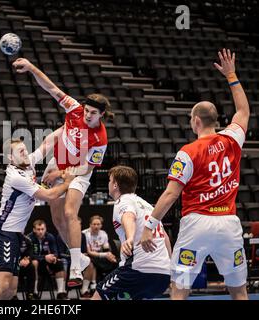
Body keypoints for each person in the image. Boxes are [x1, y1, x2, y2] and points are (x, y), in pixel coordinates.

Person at [139, 49, 250, 300]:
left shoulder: (187, 152)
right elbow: (243, 111)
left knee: (179, 289)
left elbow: (170, 194)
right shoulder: (233, 138)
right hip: (228, 223)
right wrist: (231, 74)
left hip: (197, 223)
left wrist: (149, 226)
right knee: (239, 290)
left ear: (196, 121)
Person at [13, 57, 112, 287]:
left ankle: (75, 268)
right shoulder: (74, 109)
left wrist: (60, 174)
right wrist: (30, 67)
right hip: (58, 162)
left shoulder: (101, 139)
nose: (88, 115)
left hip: (80, 171)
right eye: (87, 111)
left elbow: (86, 167)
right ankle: (82, 258)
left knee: (69, 213)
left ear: (101, 115)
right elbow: (50, 87)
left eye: (93, 113)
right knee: (57, 220)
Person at [0, 138, 76, 300]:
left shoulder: (27, 162)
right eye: (20, 151)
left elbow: (46, 144)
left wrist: (70, 123)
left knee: (11, 288)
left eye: (25, 149)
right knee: (2, 283)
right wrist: (68, 181)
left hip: (16, 234)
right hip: (4, 232)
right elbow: (49, 195)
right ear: (11, 158)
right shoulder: (16, 177)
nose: (25, 153)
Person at [92, 166, 171, 300]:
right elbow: (164, 236)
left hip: (138, 270)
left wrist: (129, 238)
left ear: (115, 184)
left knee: (97, 296)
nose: (109, 183)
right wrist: (170, 263)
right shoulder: (148, 205)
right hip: (162, 275)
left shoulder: (123, 201)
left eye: (110, 180)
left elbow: (128, 216)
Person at [28, 219, 68, 300]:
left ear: (45, 229)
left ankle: (60, 292)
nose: (40, 231)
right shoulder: (29, 238)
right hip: (35, 265)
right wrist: (44, 257)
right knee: (34, 262)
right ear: (34, 230)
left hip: (47, 262)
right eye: (38, 229)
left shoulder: (50, 237)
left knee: (59, 262)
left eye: (42, 229)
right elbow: (30, 255)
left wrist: (53, 257)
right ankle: (34, 293)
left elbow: (55, 253)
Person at [81, 215, 118, 297]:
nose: (96, 226)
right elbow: (89, 252)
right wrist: (106, 255)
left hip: (99, 255)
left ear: (101, 225)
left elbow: (106, 249)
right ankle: (93, 284)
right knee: (91, 261)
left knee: (115, 261)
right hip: (87, 255)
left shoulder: (103, 234)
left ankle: (111, 287)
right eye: (94, 224)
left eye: (98, 224)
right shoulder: (85, 234)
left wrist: (109, 255)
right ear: (90, 225)